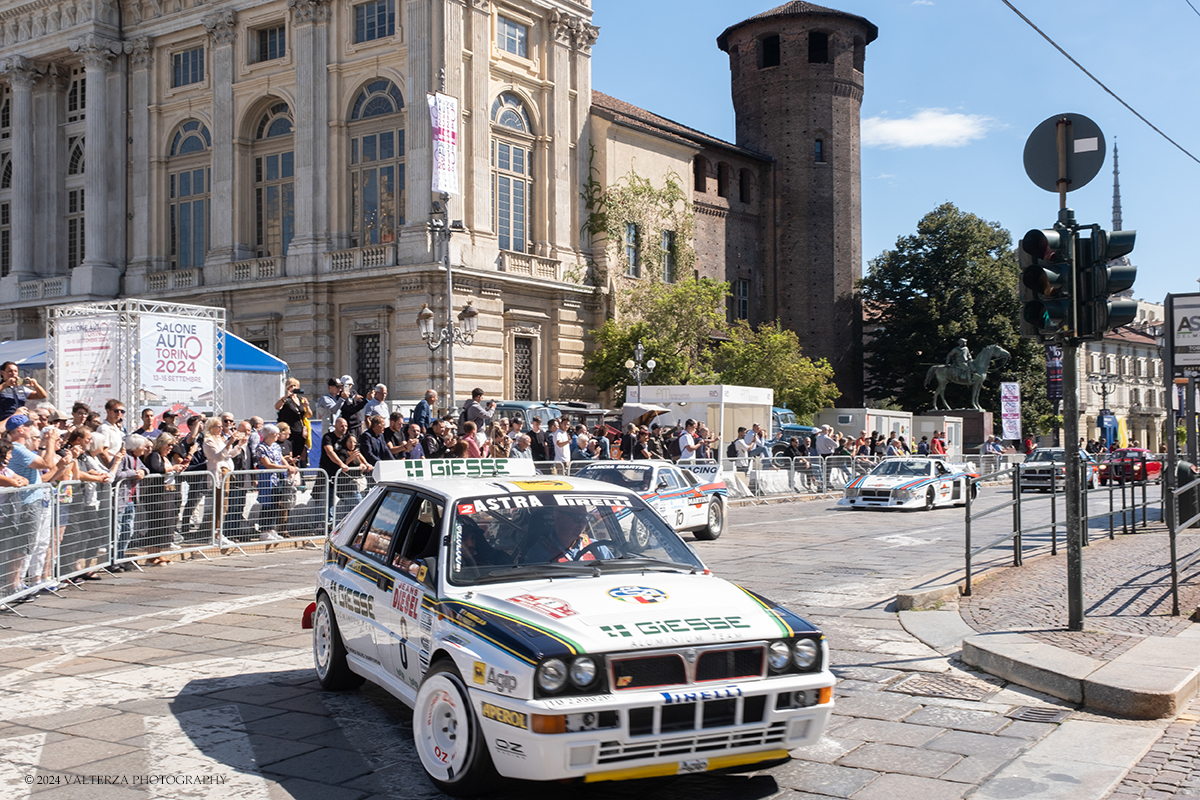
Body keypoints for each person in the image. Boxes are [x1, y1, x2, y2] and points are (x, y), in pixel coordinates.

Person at [524, 507, 615, 563]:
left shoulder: (596, 547)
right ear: (559, 518)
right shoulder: (541, 552)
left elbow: (614, 574)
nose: (582, 523)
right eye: (577, 518)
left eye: (585, 518)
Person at [255, 424, 295, 542]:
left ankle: (272, 529)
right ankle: (263, 530)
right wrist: (284, 468)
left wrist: (288, 466)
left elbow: (281, 458)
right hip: (268, 479)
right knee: (266, 504)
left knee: (275, 503)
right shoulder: (261, 448)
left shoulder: (276, 446)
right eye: (276, 434)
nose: (278, 436)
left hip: (278, 478)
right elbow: (267, 464)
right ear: (270, 435)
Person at [274, 377, 312, 467]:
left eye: (295, 386)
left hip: (300, 433)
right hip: (289, 433)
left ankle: (298, 475)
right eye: (291, 386)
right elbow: (277, 407)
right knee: (289, 455)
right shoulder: (286, 400)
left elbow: (308, 415)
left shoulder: (300, 399)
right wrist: (286, 396)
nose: (293, 388)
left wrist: (307, 406)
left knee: (299, 455)